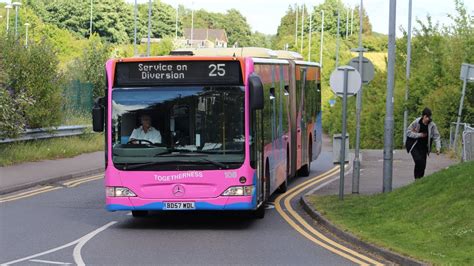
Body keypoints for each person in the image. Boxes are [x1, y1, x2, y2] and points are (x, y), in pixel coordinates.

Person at [405, 107, 441, 179]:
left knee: (423, 165)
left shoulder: (432, 125)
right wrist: (419, 135)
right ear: (423, 116)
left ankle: (420, 179)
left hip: (424, 147)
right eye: (426, 117)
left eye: (429, 117)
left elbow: (436, 136)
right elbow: (408, 132)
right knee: (418, 161)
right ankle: (416, 178)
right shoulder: (416, 122)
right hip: (414, 145)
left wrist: (438, 148)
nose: (427, 119)